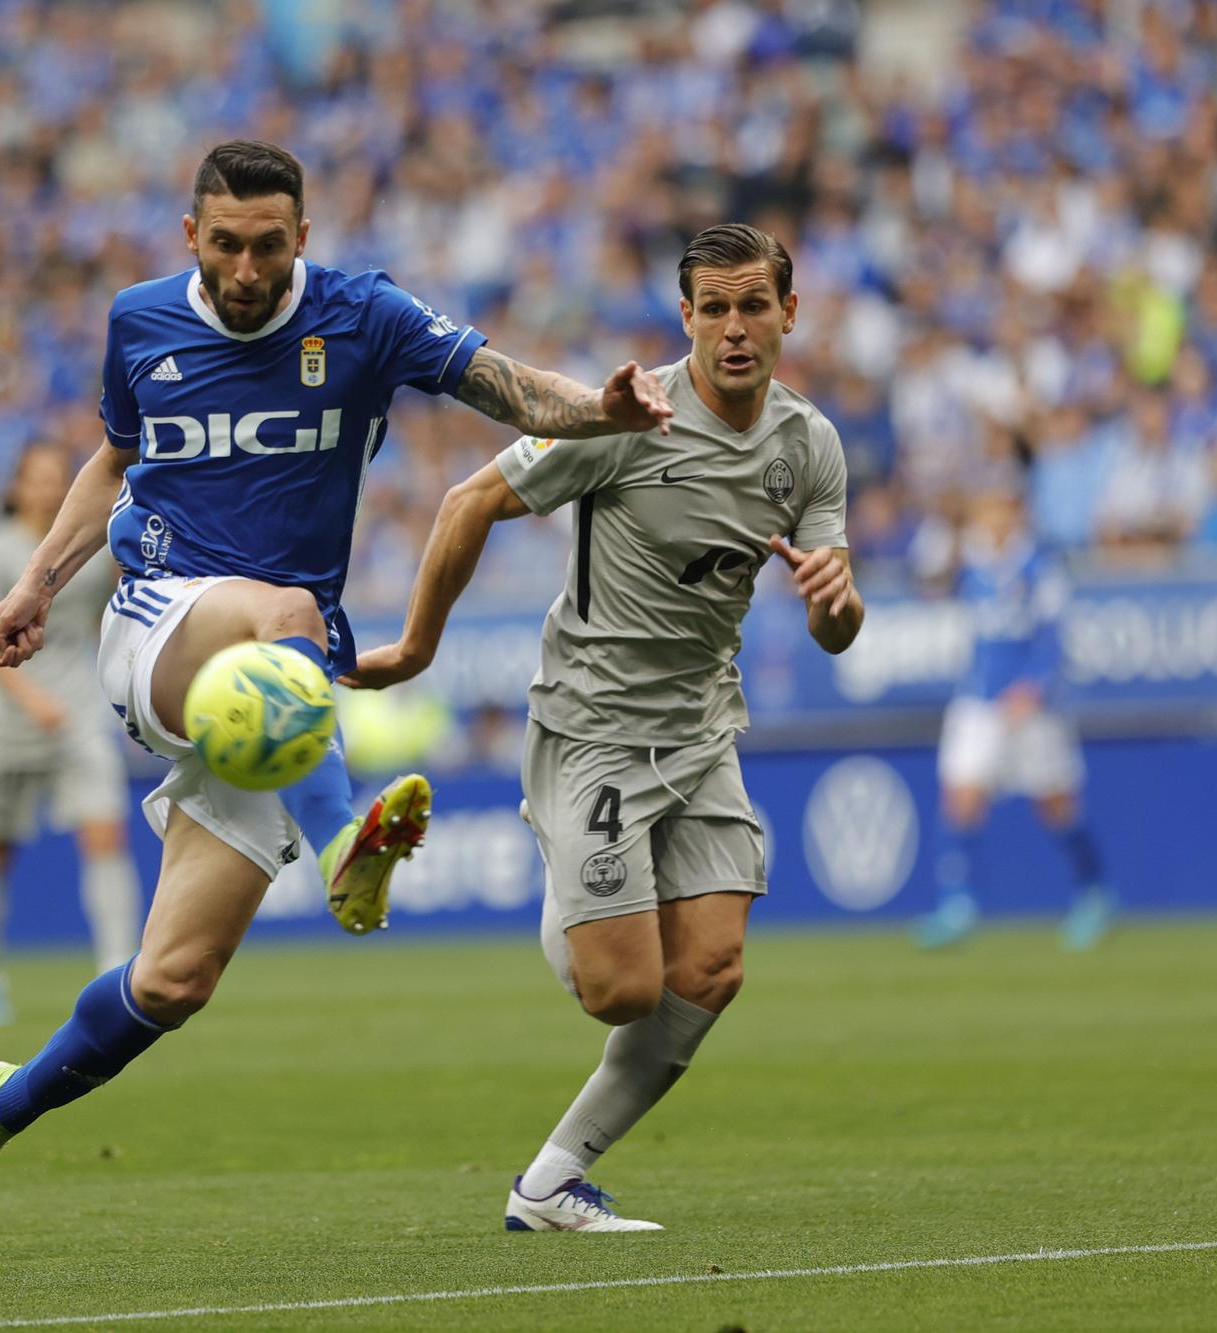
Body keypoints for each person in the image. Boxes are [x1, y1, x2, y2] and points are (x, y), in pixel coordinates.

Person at [0, 138, 674, 1219]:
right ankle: (347, 843)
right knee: (286, 611)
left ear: (300, 237)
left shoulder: (362, 314)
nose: (245, 270)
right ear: (189, 237)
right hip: (157, 626)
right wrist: (34, 583)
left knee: (170, 982)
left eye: (267, 246)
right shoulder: (140, 321)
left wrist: (603, 408)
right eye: (224, 246)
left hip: (274, 700)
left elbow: (506, 390)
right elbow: (115, 459)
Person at [347, 223, 861, 1232]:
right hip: (593, 727)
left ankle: (547, 1183)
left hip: (703, 725)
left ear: (787, 313)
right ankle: (572, 882)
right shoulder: (629, 417)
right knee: (621, 991)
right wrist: (412, 650)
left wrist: (834, 601)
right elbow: (466, 502)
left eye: (752, 305)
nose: (733, 329)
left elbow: (834, 629)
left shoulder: (810, 445)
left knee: (710, 968)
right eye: (711, 309)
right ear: (685, 318)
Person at [0, 443, 144, 1027]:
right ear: (16, 486)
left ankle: (115, 972)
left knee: (106, 835)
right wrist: (31, 699)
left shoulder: (85, 545)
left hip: (78, 714)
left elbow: (103, 621)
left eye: (56, 479)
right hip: (10, 722)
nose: (46, 489)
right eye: (35, 479)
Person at [913, 487, 1114, 951]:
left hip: (1030, 707)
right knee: (960, 794)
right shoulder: (973, 561)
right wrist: (947, 533)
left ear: (1016, 512)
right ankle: (957, 903)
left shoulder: (1040, 567)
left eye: (998, 507)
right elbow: (928, 583)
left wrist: (1037, 685)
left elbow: (1057, 637)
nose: (990, 517)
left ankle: (1094, 892)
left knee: (1056, 803)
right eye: (985, 508)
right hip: (979, 699)